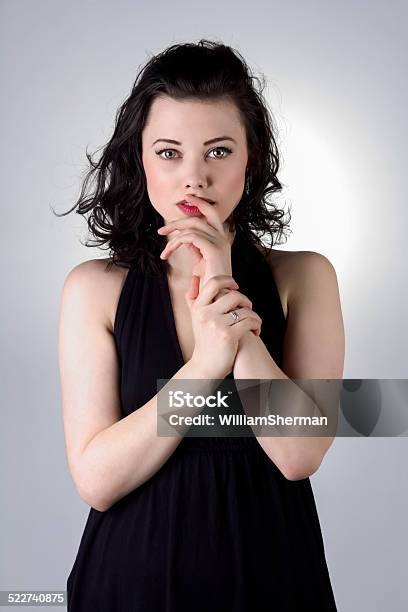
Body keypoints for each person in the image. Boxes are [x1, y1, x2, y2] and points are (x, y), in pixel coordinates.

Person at [57, 39, 345, 611]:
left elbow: (300, 455)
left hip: (273, 579)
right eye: (169, 152)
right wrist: (204, 366)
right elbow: (96, 479)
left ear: (250, 159)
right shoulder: (94, 289)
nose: (194, 178)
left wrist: (222, 283)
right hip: (129, 582)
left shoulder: (305, 277)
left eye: (217, 151)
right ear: (139, 158)